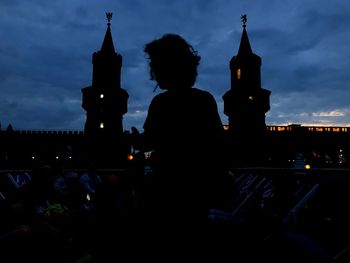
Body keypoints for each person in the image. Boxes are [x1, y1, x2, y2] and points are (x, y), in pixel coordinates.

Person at [141, 34, 228, 231]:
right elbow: (218, 147)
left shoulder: (160, 104)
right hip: (202, 196)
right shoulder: (205, 100)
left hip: (167, 196)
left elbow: (150, 146)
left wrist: (142, 147)